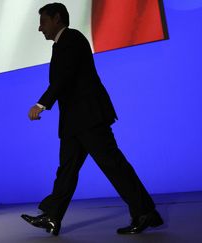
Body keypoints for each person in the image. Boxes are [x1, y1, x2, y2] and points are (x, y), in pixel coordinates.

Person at [21, 3, 163, 236]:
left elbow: (64, 79)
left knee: (114, 166)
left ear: (57, 19)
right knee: (66, 171)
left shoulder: (71, 39)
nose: (40, 28)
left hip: (88, 118)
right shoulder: (63, 43)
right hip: (75, 122)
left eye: (43, 21)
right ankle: (53, 217)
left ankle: (145, 212)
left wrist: (41, 103)